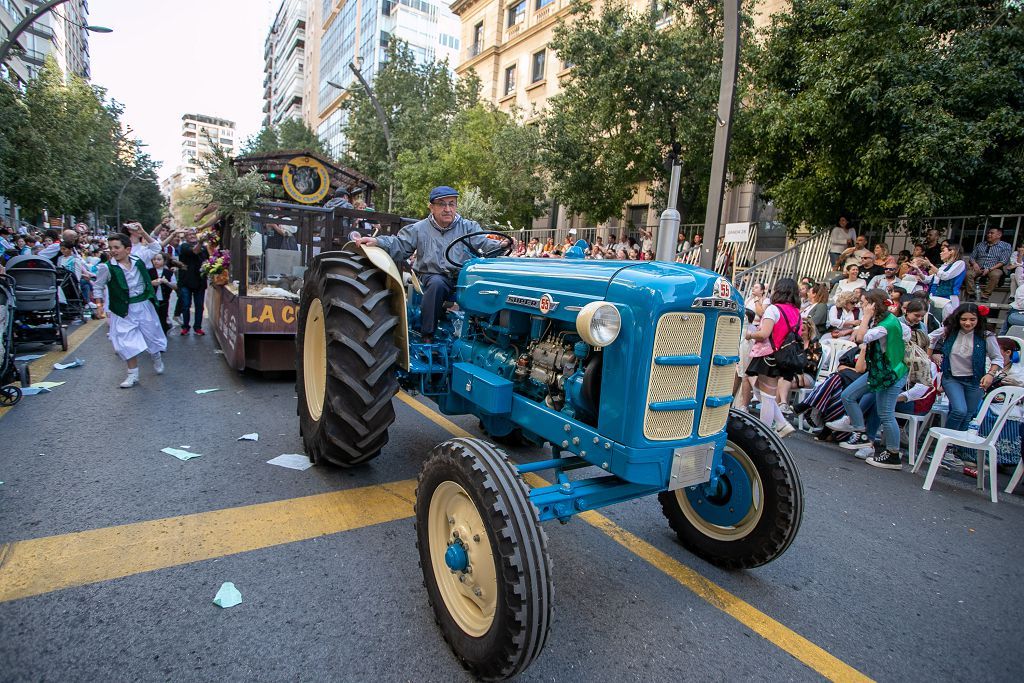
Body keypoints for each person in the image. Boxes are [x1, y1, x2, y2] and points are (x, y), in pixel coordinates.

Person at [354, 186, 498, 343]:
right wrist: (377, 241)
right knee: (437, 284)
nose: (448, 209)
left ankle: (486, 335)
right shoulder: (419, 228)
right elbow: (400, 244)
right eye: (442, 204)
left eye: (452, 204)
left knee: (487, 287)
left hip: (462, 277)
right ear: (431, 207)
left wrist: (502, 245)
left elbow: (484, 242)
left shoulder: (468, 227)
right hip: (432, 275)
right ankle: (427, 335)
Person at [825, 289, 911, 469]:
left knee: (886, 414)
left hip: (892, 374)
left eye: (864, 303)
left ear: (873, 305)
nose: (861, 306)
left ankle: (893, 455)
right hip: (880, 372)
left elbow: (861, 337)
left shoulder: (885, 324)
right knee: (848, 395)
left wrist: (865, 317)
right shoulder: (883, 320)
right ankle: (860, 432)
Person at [91, 233, 168, 388]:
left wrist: (141, 229)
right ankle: (133, 375)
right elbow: (98, 287)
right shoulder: (106, 268)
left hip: (143, 305)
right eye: (110, 247)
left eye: (116, 247)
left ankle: (156, 355)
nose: (113, 251)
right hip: (123, 310)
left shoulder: (139, 260)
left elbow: (156, 247)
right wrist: (99, 306)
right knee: (127, 342)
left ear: (127, 249)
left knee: (152, 337)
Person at [928, 302, 1003, 433]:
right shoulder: (949, 331)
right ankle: (947, 442)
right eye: (964, 319)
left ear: (978, 320)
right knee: (959, 411)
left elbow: (997, 357)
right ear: (958, 319)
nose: (968, 323)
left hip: (975, 380)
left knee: (968, 414)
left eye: (972, 319)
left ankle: (956, 448)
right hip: (952, 378)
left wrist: (990, 374)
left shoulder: (986, 336)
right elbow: (930, 338)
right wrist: (930, 355)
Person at [742, 277, 803, 438]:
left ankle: (765, 432)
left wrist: (749, 334)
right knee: (756, 385)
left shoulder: (773, 309)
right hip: (786, 355)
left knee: (767, 395)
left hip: (768, 353)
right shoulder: (797, 312)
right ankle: (781, 422)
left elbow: (763, 334)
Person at [176, 228, 212, 336]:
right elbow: (195, 251)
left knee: (199, 306)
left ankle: (197, 327)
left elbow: (207, 261)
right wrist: (201, 242)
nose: (192, 236)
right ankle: (185, 326)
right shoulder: (184, 246)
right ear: (185, 237)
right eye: (189, 234)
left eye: (193, 234)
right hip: (186, 281)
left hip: (200, 282)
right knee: (186, 305)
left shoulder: (204, 248)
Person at [965, 227, 1012, 299]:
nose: (988, 235)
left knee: (995, 275)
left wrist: (989, 269)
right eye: (988, 233)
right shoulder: (980, 245)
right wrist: (974, 264)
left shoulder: (1006, 246)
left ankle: (985, 296)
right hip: (978, 268)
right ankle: (971, 294)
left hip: (994, 268)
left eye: (991, 233)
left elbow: (1003, 261)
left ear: (999, 235)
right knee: (968, 274)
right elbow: (972, 257)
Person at [924, 242, 966, 320]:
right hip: (934, 295)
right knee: (933, 320)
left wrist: (930, 265)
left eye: (943, 251)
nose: (940, 253)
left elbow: (945, 276)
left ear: (952, 251)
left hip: (948, 296)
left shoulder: (960, 263)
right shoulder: (943, 266)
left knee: (948, 321)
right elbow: (930, 279)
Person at [148, 252, 177, 333]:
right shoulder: (149, 272)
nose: (156, 261)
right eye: (154, 259)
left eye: (159, 259)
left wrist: (167, 282)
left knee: (163, 317)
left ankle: (163, 334)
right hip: (151, 300)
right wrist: (152, 283)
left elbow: (175, 286)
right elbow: (144, 284)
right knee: (152, 319)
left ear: (164, 261)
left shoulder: (169, 273)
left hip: (164, 300)